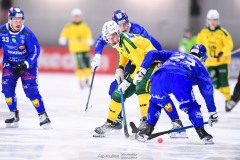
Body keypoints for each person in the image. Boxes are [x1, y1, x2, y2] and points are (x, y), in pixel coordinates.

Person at [92, 10, 187, 138]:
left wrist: (127, 80)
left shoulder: (135, 35)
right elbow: (122, 52)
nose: (124, 27)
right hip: (137, 61)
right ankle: (112, 122)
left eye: (125, 24)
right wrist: (119, 68)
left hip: (152, 61)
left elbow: (142, 61)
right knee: (116, 90)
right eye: (108, 38)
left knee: (152, 90)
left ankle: (158, 122)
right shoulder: (117, 39)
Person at [133, 44, 218, 144]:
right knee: (191, 106)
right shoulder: (200, 65)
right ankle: (202, 133)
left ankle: (147, 130)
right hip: (180, 79)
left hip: (159, 76)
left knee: (156, 103)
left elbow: (152, 53)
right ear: (202, 57)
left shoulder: (175, 54)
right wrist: (212, 112)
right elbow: (207, 90)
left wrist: (142, 70)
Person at [0, 7, 52, 129]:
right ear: (9, 20)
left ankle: (43, 115)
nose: (18, 23)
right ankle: (13, 114)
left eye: (20, 20)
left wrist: (25, 65)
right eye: (15, 20)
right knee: (7, 90)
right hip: (10, 64)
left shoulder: (27, 33)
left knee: (31, 91)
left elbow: (35, 51)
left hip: (28, 66)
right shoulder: (1, 31)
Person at [196, 9, 234, 111]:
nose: (212, 22)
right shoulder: (203, 32)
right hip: (210, 62)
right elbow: (199, 44)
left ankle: (228, 100)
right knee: (215, 83)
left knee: (224, 81)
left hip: (222, 61)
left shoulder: (223, 32)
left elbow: (229, 44)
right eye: (210, 20)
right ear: (207, 20)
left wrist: (222, 52)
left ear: (218, 20)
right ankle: (227, 95)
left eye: (215, 20)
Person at [59, 8, 94, 89]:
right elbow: (65, 33)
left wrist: (89, 39)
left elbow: (88, 33)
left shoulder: (84, 25)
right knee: (79, 66)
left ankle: (87, 79)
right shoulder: (69, 26)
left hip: (85, 48)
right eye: (75, 16)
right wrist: (63, 38)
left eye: (78, 16)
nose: (76, 18)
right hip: (75, 49)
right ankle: (80, 81)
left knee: (88, 65)